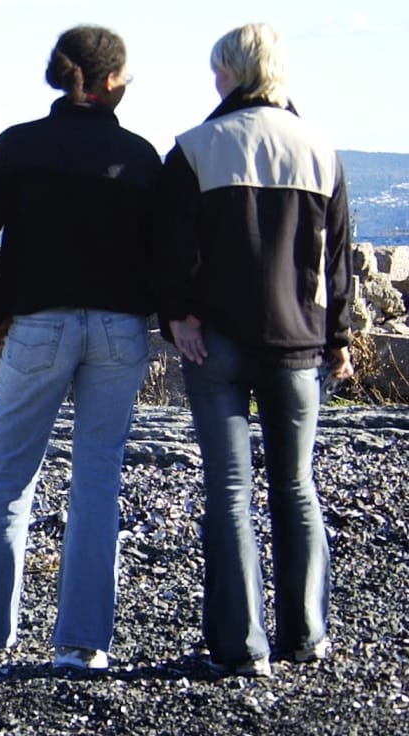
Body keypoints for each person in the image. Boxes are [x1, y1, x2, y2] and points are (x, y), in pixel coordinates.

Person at [0, 25, 161, 672]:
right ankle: (81, 645)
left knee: (8, 477)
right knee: (98, 483)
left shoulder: (17, 146)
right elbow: (165, 250)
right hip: (118, 329)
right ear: (109, 82)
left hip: (39, 325)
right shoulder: (139, 156)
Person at [157, 22, 354, 678]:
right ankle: (308, 635)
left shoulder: (194, 149)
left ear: (233, 72)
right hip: (299, 343)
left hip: (215, 342)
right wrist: (341, 338)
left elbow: (173, 251)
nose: (213, 79)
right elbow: (337, 261)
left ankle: (242, 648)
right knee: (297, 487)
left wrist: (177, 317)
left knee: (230, 491)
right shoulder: (322, 150)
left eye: (218, 68)